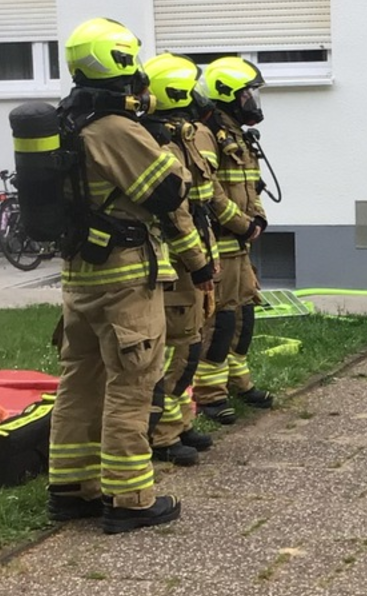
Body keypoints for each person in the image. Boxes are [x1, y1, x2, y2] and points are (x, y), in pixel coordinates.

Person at [45, 18, 213, 534]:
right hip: (124, 278)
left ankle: (70, 489)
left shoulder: (67, 122)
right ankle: (131, 498)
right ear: (118, 61)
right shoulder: (115, 129)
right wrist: (161, 144)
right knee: (131, 383)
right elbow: (167, 192)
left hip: (81, 276)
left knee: (80, 380)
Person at [139, 52, 252, 464]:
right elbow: (177, 210)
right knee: (177, 350)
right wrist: (199, 259)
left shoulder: (183, 136)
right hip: (179, 261)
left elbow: (206, 195)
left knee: (189, 346)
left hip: (199, 251)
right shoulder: (163, 143)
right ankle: (163, 436)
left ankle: (179, 424)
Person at [191, 56, 272, 424]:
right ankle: (209, 393)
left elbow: (251, 186)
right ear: (228, 94)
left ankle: (239, 381)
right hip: (221, 245)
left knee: (245, 318)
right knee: (220, 322)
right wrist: (241, 224)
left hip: (241, 246)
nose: (253, 101)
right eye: (248, 94)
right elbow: (207, 191)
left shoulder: (237, 135)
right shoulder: (205, 135)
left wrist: (258, 219)